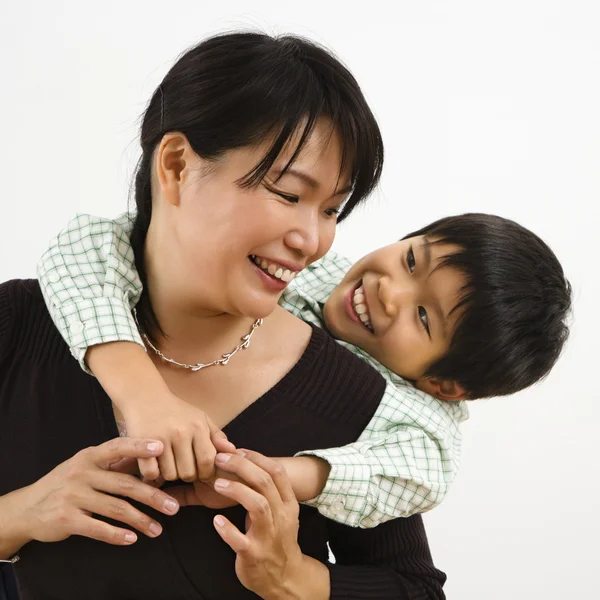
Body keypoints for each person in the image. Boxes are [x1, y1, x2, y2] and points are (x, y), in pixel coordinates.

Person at [0, 31, 447, 600]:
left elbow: (416, 589)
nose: (312, 239)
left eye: (332, 208)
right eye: (288, 193)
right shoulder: (19, 323)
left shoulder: (353, 398)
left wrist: (295, 580)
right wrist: (20, 515)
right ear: (178, 164)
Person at [37, 209, 572, 529]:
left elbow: (425, 472)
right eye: (412, 260)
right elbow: (87, 244)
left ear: (443, 384)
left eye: (424, 316)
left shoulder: (406, 410)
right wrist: (143, 395)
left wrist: (270, 477)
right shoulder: (313, 271)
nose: (389, 289)